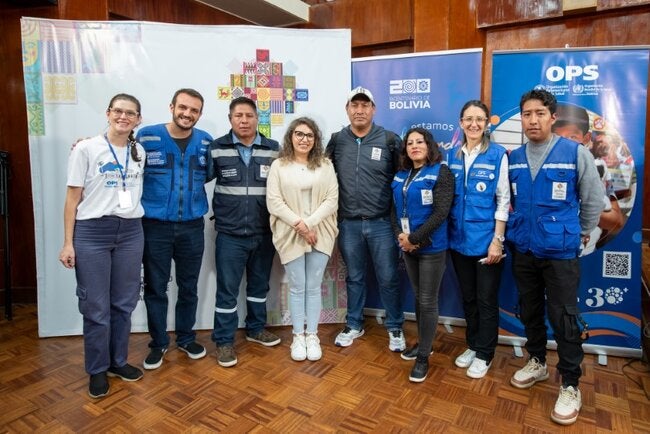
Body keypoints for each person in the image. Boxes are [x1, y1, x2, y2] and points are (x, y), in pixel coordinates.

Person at [507, 89, 604, 425]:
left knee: (564, 317)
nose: (533, 120)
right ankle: (537, 361)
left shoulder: (575, 153)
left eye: (539, 113)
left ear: (552, 117)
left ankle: (570, 383)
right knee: (530, 309)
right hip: (524, 248)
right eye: (527, 114)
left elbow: (593, 198)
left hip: (560, 251)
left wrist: (580, 231)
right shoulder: (514, 157)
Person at [59, 93, 146, 398]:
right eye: (118, 111)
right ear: (108, 113)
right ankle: (97, 369)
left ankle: (117, 362)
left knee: (124, 304)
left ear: (138, 119)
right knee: (96, 307)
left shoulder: (139, 151)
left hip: (131, 232)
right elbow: (72, 199)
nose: (124, 117)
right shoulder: (85, 149)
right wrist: (68, 243)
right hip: (92, 233)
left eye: (130, 113)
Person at [136, 89, 213, 370]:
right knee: (156, 288)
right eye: (183, 107)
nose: (187, 114)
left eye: (194, 110)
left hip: (192, 227)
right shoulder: (147, 137)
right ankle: (158, 343)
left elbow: (209, 173)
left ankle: (186, 338)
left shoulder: (205, 141)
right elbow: (122, 155)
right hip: (154, 227)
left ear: (200, 114)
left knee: (188, 287)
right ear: (172, 107)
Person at [326, 86, 406, 352]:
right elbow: (323, 176)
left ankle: (394, 326)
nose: (359, 110)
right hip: (348, 223)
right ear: (347, 109)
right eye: (354, 105)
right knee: (355, 277)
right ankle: (354, 324)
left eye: (365, 105)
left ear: (373, 109)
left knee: (388, 277)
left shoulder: (390, 140)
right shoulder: (337, 140)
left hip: (381, 223)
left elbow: (404, 180)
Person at [207, 96, 281, 367]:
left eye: (249, 115)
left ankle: (256, 329)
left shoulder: (273, 149)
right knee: (227, 291)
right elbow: (198, 177)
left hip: (264, 233)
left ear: (257, 119)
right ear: (230, 119)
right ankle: (224, 341)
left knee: (259, 286)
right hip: (230, 234)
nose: (244, 120)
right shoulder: (216, 148)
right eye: (238, 116)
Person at [266, 117, 339, 362]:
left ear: (315, 139)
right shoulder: (279, 165)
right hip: (289, 234)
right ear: (291, 137)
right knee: (297, 287)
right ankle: (298, 336)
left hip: (321, 232)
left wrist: (309, 224)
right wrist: (300, 225)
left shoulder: (325, 165)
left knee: (313, 287)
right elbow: (274, 202)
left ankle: (312, 335)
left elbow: (332, 200)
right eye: (299, 134)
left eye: (309, 135)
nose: (304, 139)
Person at [447, 100, 509, 379]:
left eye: (479, 119)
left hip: (486, 242)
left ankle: (485, 353)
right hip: (458, 242)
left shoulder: (497, 155)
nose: (474, 124)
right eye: (469, 119)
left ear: (486, 124)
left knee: (486, 300)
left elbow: (503, 200)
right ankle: (473, 345)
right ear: (461, 123)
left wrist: (498, 240)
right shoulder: (453, 156)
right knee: (469, 298)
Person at [391, 127, 453, 382]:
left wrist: (414, 239)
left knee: (427, 301)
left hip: (431, 248)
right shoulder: (401, 174)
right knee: (419, 298)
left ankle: (423, 357)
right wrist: (401, 236)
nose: (414, 146)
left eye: (420, 142)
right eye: (410, 143)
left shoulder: (441, 172)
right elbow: (392, 209)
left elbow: (441, 213)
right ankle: (422, 344)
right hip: (408, 247)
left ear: (429, 146)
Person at [551, 103, 623, 255]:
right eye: (557, 137)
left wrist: (581, 212)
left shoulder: (598, 167)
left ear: (586, 138)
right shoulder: (537, 166)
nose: (565, 144)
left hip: (585, 249)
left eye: (572, 137)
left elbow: (616, 221)